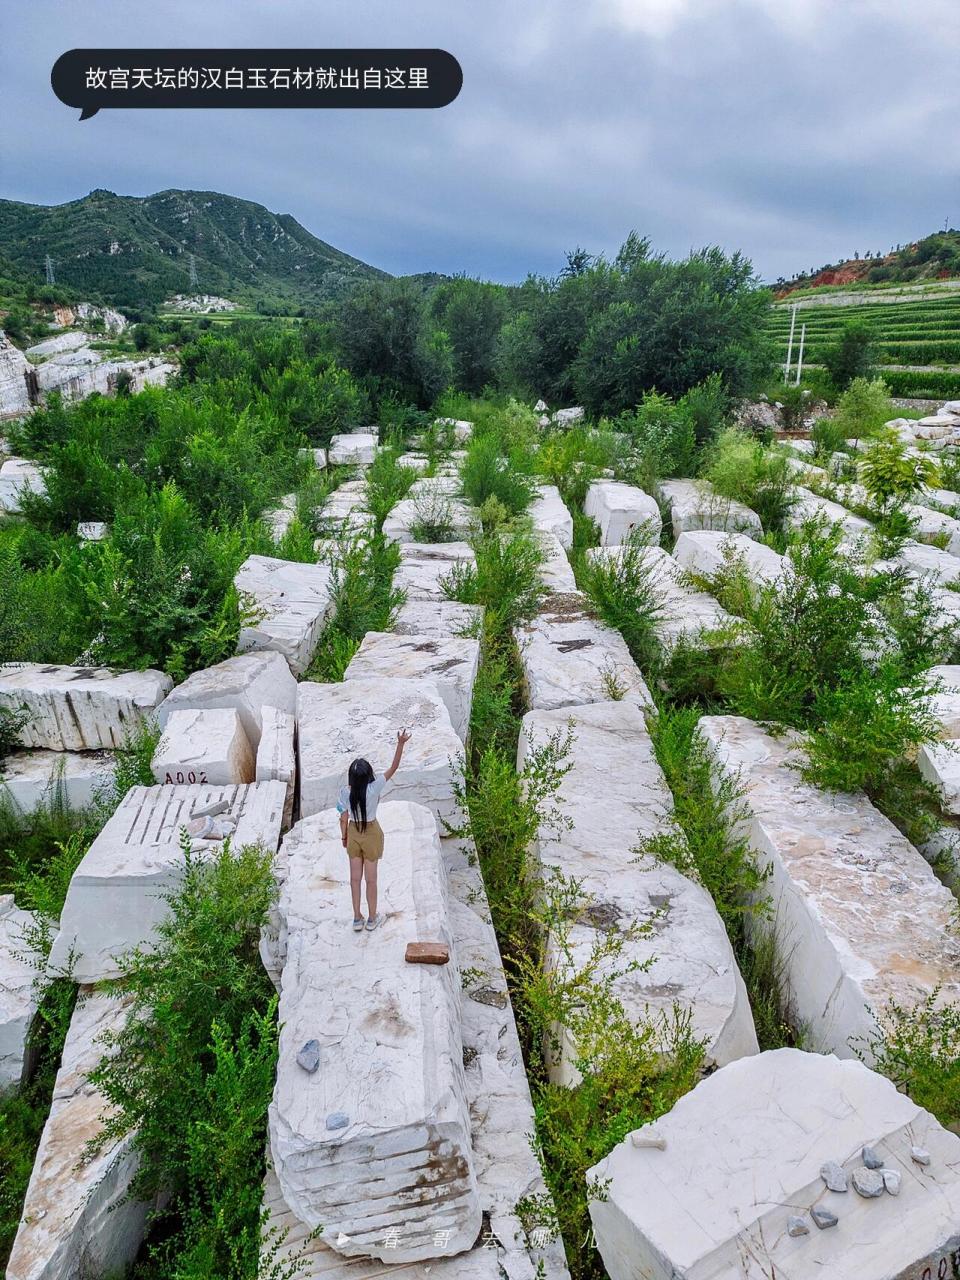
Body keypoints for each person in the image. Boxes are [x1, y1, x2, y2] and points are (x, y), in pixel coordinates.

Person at [337, 728, 411, 932]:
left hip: (353, 832)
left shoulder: (345, 792)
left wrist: (344, 837)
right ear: (368, 775)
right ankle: (371, 918)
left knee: (354, 879)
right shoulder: (374, 788)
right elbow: (393, 767)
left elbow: (343, 818)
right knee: (371, 879)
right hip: (371, 832)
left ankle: (356, 919)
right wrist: (400, 744)